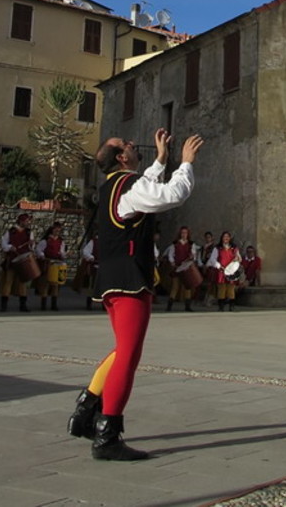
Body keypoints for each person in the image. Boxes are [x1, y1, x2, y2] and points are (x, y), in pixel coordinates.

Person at [66, 128, 203, 461]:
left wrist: (159, 161)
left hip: (112, 278)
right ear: (121, 158)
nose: (129, 143)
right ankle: (107, 435)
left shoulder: (111, 185)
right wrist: (184, 164)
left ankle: (86, 411)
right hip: (130, 278)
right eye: (124, 143)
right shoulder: (128, 185)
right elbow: (171, 195)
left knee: (121, 350)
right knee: (128, 356)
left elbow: (143, 188)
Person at [0, 213, 35, 312]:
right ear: (21, 221)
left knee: (23, 283)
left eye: (28, 221)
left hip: (24, 260)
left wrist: (31, 245)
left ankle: (22, 306)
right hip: (12, 259)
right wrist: (10, 247)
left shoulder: (29, 232)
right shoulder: (11, 231)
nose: (28, 222)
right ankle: (4, 306)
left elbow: (31, 247)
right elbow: (4, 244)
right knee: (8, 282)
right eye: (27, 220)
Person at [164, 226, 200, 312]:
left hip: (186, 267)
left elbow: (193, 255)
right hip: (177, 267)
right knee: (175, 287)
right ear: (180, 234)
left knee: (187, 287)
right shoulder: (175, 244)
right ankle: (169, 306)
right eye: (182, 233)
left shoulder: (191, 244)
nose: (184, 234)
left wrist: (192, 257)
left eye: (185, 233)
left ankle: (187, 306)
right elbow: (171, 254)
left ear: (188, 234)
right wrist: (172, 262)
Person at [35, 221, 67, 311]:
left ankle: (54, 305)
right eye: (56, 229)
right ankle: (43, 305)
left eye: (59, 229)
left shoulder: (61, 241)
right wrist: (42, 255)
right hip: (47, 263)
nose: (57, 231)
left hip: (57, 263)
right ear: (52, 230)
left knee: (55, 285)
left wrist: (63, 255)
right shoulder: (45, 240)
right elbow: (38, 250)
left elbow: (61, 252)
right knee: (45, 284)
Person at [208, 231, 242, 311]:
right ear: (222, 238)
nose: (226, 238)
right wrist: (219, 266)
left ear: (230, 238)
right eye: (224, 237)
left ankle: (231, 306)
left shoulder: (234, 248)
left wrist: (237, 259)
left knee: (231, 288)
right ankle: (221, 307)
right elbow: (212, 259)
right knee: (222, 288)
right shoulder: (218, 248)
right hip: (221, 270)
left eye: (227, 237)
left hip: (231, 270)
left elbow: (239, 258)